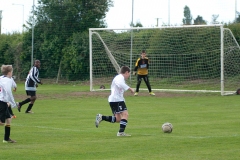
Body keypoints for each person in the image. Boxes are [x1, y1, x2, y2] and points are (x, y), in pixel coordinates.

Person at [95, 66, 134, 136]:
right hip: (117, 99)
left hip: (113, 99)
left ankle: (101, 117)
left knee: (118, 119)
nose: (129, 75)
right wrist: (130, 88)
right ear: (126, 72)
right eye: (129, 74)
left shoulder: (118, 77)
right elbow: (120, 84)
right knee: (125, 114)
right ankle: (121, 132)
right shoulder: (120, 77)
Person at [0, 65, 17, 143]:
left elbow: (13, 83)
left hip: (4, 102)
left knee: (9, 119)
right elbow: (8, 92)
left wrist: (15, 86)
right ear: (9, 72)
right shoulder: (7, 80)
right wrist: (13, 102)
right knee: (1, 123)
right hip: (2, 102)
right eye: (12, 71)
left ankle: (6, 139)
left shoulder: (2, 78)